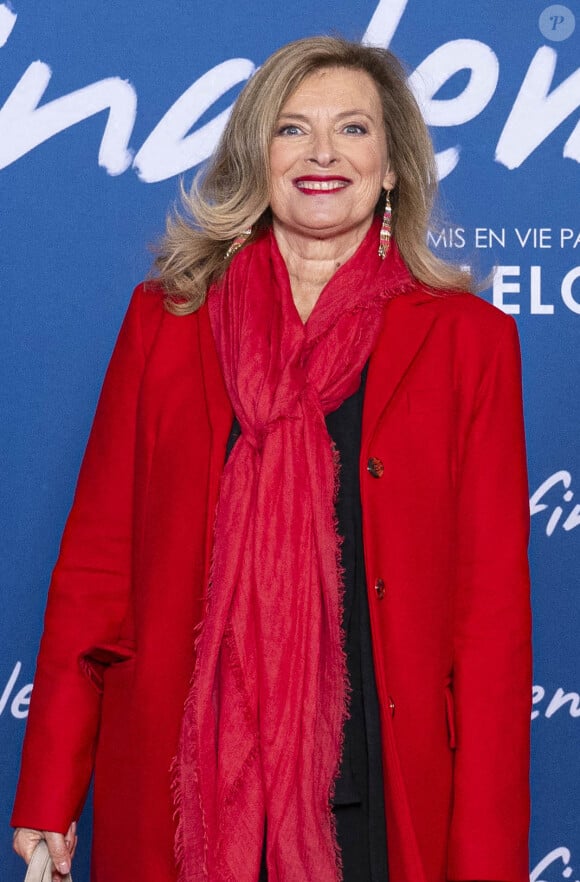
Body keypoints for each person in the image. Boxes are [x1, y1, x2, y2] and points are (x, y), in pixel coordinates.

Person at [12, 36, 532, 882]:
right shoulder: (168, 321)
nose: (322, 152)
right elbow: (96, 573)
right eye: (293, 129)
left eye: (353, 129)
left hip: (374, 788)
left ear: (393, 164)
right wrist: (48, 795)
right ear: (258, 156)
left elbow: (492, 629)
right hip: (186, 785)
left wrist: (486, 860)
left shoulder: (470, 342)